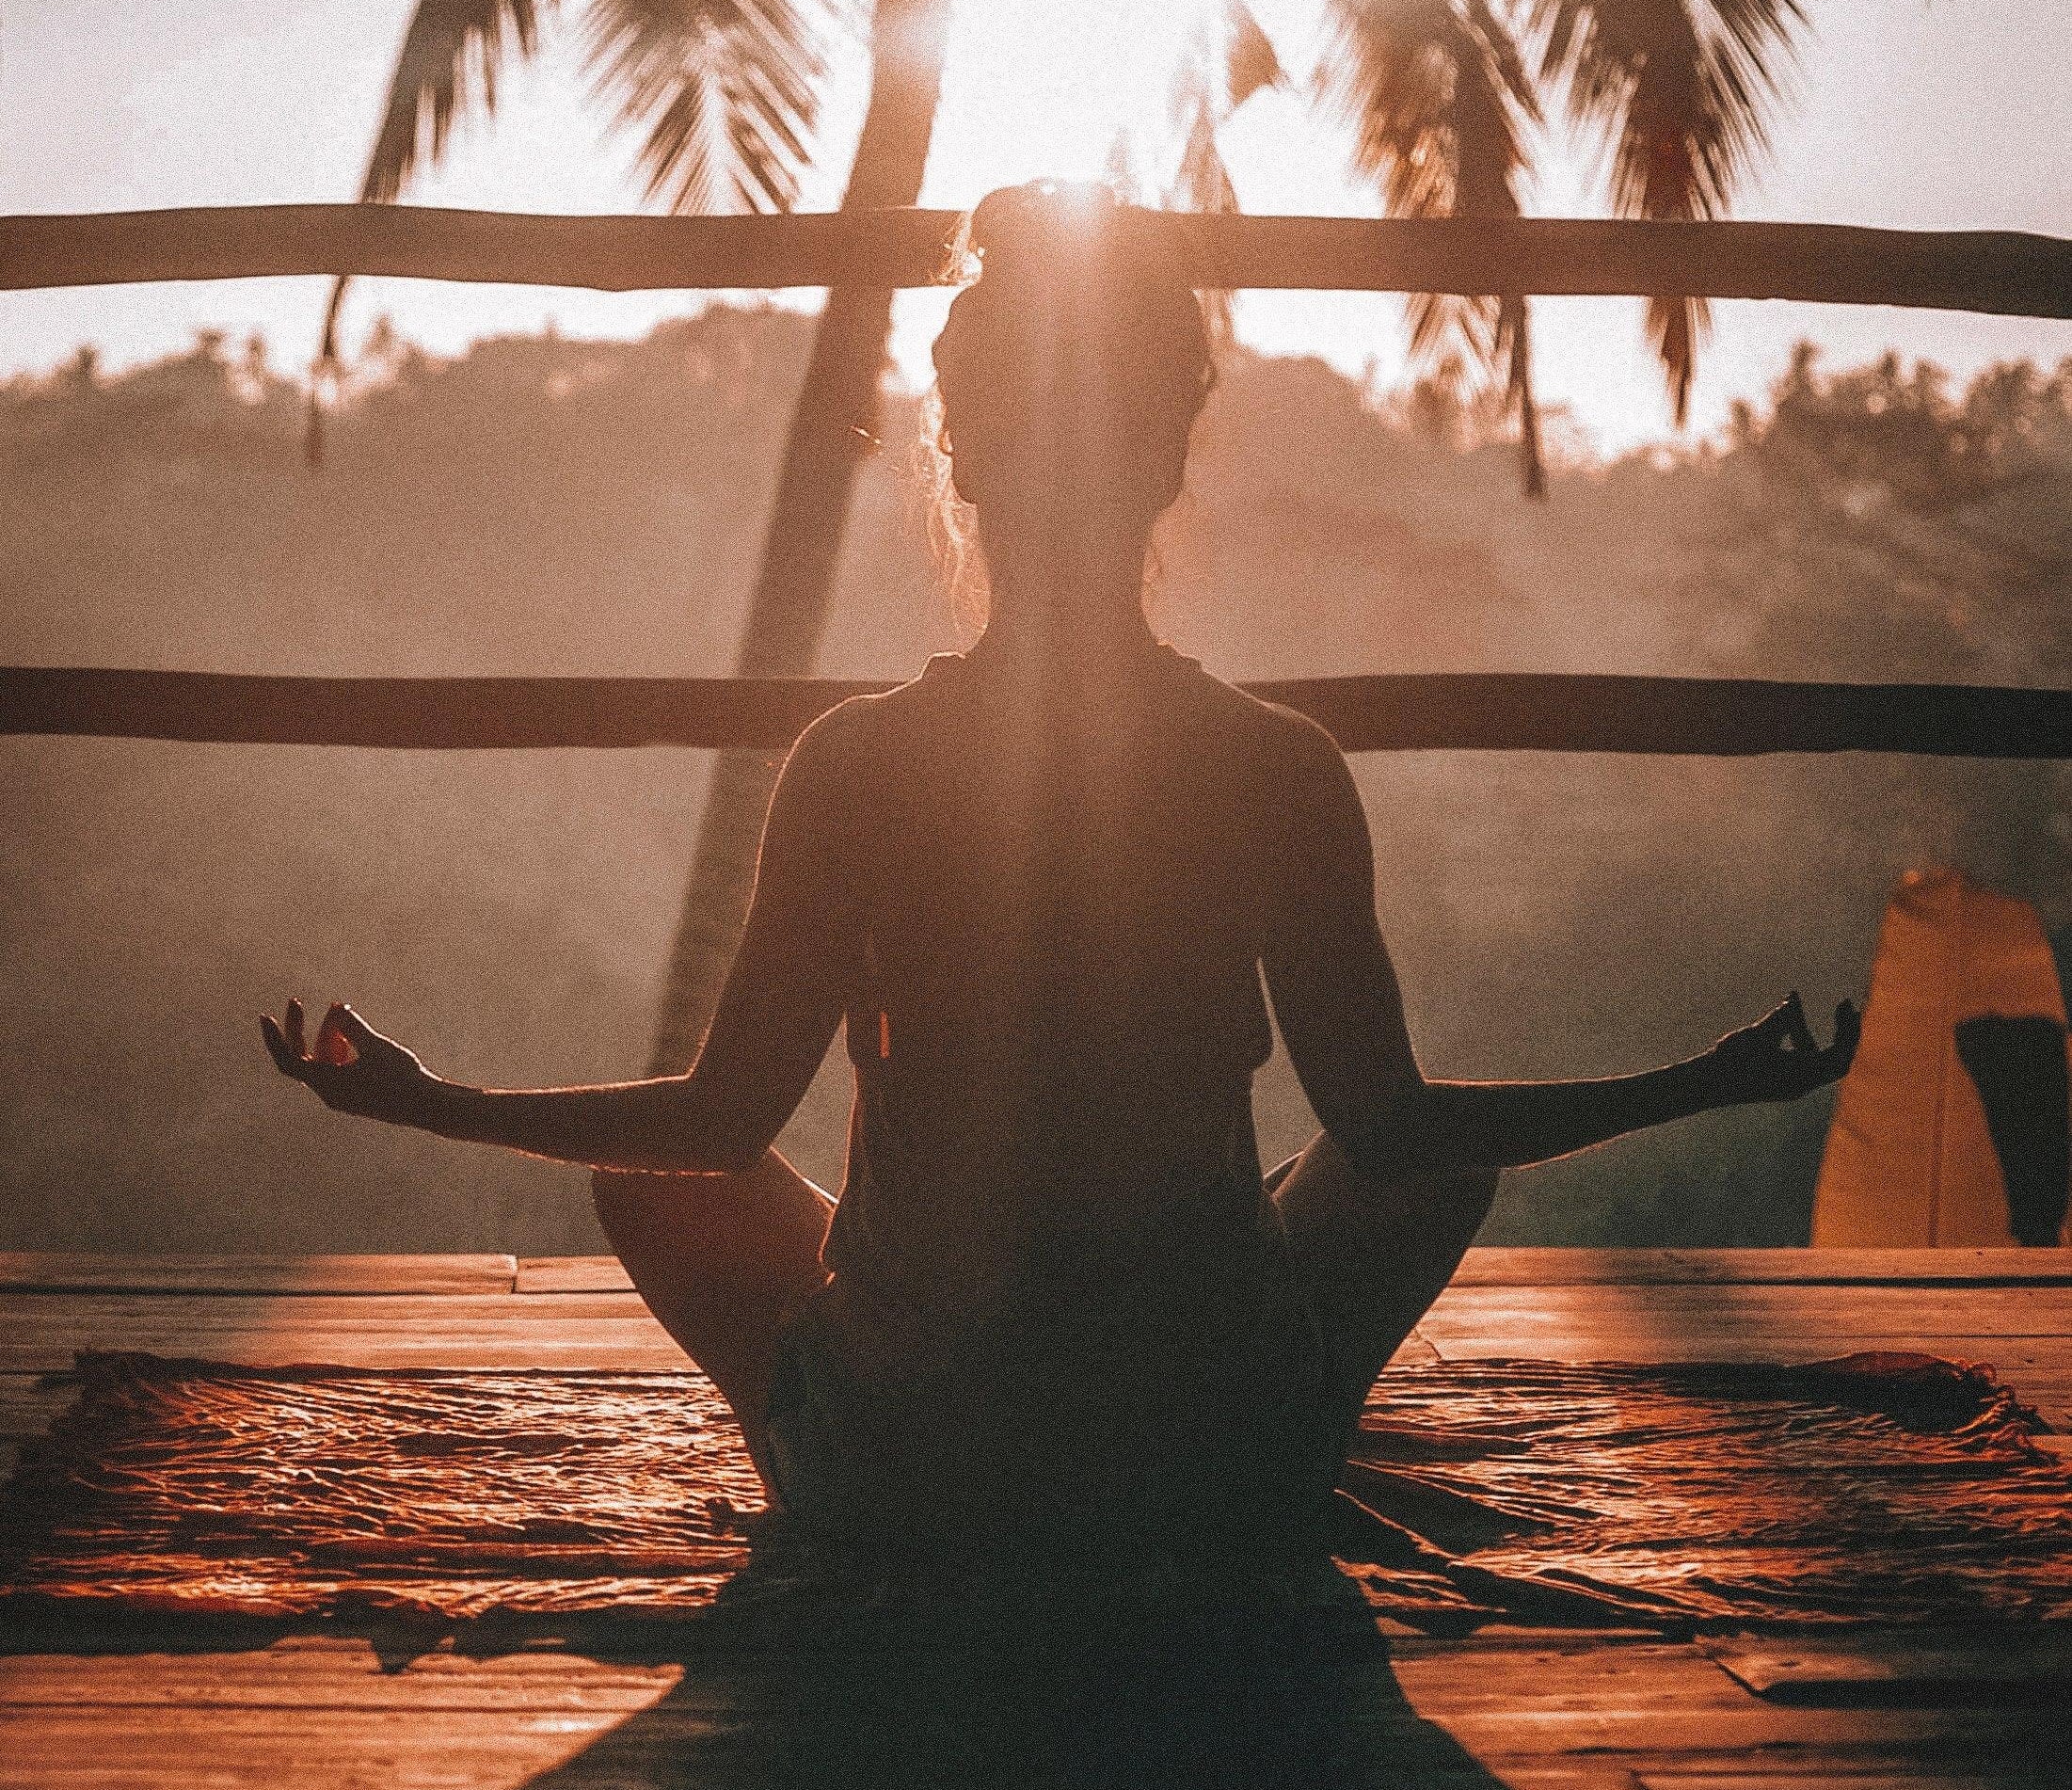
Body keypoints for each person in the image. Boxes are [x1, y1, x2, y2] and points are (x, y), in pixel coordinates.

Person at [264, 182, 1857, 1580]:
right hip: (1202, 1459)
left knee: (652, 1179)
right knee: (1428, 1164)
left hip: (917, 1473)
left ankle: (850, 1474)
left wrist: (431, 1099)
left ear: (960, 460)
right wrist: (1700, 1080)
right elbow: (1395, 1129)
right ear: (1167, 458)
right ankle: (1271, 1455)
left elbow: (714, 1125)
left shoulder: (857, 762)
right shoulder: (1274, 765)